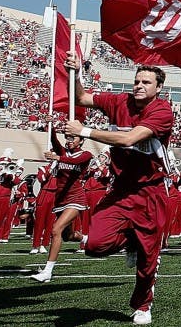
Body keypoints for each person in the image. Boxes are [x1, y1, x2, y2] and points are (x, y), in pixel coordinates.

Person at [63, 51, 174, 326]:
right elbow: (81, 98)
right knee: (95, 245)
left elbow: (128, 139)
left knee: (148, 261)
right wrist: (74, 73)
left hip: (150, 192)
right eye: (137, 81)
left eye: (146, 83)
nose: (139, 86)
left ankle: (142, 305)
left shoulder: (162, 111)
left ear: (158, 88)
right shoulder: (117, 101)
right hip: (122, 190)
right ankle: (132, 241)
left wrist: (85, 132)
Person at [30, 130, 93, 282]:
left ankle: (47, 271)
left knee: (55, 229)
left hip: (76, 198)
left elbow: (73, 162)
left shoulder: (86, 155)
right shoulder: (63, 152)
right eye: (68, 138)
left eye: (74, 137)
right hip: (60, 199)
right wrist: (51, 127)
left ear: (81, 141)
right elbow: (54, 141)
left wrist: (57, 157)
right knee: (68, 235)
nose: (70, 140)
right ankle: (87, 239)